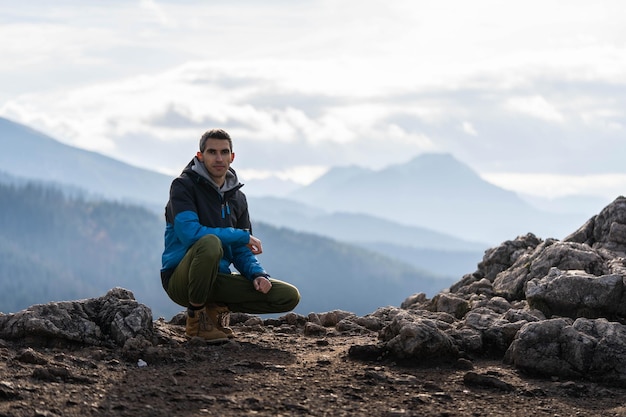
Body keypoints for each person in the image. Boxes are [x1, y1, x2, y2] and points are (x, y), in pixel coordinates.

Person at [160, 128, 300, 341]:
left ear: (232, 157)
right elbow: (190, 235)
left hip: (218, 277)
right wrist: (241, 236)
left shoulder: (238, 198)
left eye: (224, 152)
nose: (219, 158)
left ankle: (216, 311)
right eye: (212, 152)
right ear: (200, 156)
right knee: (209, 243)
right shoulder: (183, 187)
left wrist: (257, 274)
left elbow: (240, 251)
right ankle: (197, 320)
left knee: (287, 296)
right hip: (182, 279)